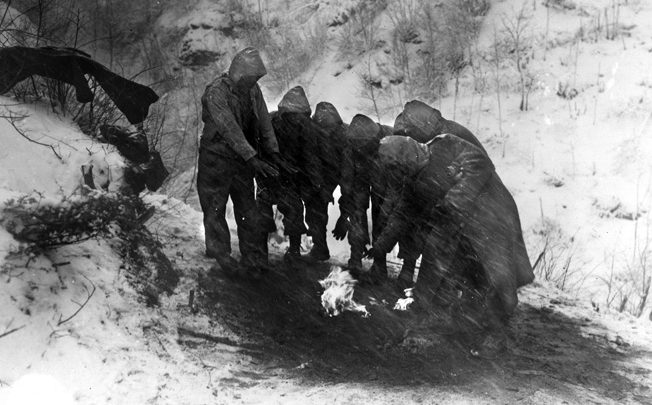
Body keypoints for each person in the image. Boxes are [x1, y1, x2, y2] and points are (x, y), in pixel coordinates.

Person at [368, 135, 534, 328]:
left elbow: (480, 163)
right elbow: (402, 214)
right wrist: (381, 245)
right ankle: (443, 315)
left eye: (398, 166)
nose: (398, 172)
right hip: (454, 225)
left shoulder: (445, 144)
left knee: (497, 275)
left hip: (490, 217)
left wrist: (452, 201)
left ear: (408, 155)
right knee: (445, 264)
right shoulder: (413, 181)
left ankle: (496, 328)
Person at [197, 47, 292, 277]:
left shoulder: (253, 91)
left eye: (256, 79)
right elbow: (229, 128)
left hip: (242, 160)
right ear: (239, 74)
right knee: (215, 206)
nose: (254, 82)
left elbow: (264, 123)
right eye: (251, 78)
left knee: (247, 209)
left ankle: (253, 256)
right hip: (216, 158)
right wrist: (252, 158)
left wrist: (273, 151)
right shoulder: (216, 92)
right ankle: (220, 253)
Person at [385, 100, 489, 287]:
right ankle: (413, 273)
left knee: (450, 244)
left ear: (417, 128)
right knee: (413, 221)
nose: (407, 140)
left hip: (469, 199)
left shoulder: (447, 137)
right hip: (446, 194)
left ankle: (462, 289)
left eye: (408, 134)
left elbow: (473, 171)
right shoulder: (425, 143)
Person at [257, 86, 332, 262]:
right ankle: (288, 251)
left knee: (275, 209)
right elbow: (310, 156)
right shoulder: (304, 126)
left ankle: (266, 251)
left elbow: (309, 157)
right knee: (290, 210)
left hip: (275, 175)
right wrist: (318, 183)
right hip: (278, 175)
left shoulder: (273, 120)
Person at [334, 114, 393, 279]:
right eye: (357, 146)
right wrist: (344, 213)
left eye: (364, 146)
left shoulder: (390, 142)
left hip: (384, 183)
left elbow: (392, 189)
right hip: (360, 178)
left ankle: (379, 263)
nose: (360, 149)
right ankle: (355, 258)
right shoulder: (350, 148)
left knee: (381, 214)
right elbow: (347, 186)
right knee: (356, 212)